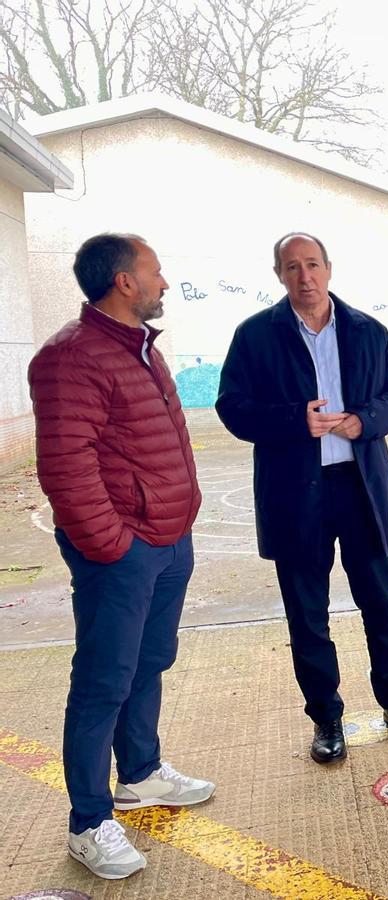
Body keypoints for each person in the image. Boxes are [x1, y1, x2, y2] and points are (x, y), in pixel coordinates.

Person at [28, 233, 214, 880]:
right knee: (103, 680)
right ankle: (88, 821)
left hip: (168, 538)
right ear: (124, 281)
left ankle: (139, 773)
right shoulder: (70, 357)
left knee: (149, 661)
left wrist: (176, 521)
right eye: (155, 272)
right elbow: (66, 466)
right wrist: (111, 543)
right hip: (123, 550)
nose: (165, 283)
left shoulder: (140, 348)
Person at [215, 232, 388, 764]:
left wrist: (364, 420)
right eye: (292, 267)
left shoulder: (368, 331)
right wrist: (294, 421)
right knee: (307, 614)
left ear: (329, 268)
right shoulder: (255, 336)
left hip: (362, 489)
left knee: (382, 603)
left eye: (312, 264)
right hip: (295, 493)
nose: (304, 276)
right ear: (279, 275)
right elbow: (232, 407)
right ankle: (326, 717)